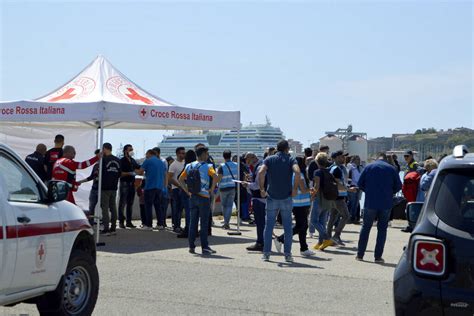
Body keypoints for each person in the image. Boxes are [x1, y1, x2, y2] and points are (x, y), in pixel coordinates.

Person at [356, 152, 402, 263]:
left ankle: (360, 255)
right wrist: (389, 192)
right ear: (386, 159)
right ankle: (377, 257)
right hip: (386, 203)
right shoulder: (392, 169)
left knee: (365, 228)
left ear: (377, 158)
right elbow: (399, 186)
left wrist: (369, 191)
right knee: (382, 230)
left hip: (370, 202)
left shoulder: (368, 167)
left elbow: (360, 183)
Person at [259, 140, 300, 263]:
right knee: (288, 227)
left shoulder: (269, 159)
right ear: (287, 149)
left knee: (269, 226)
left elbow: (261, 172)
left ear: (277, 148)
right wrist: (294, 189)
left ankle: (266, 253)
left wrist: (262, 189)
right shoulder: (291, 160)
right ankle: (287, 254)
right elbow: (297, 172)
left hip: (271, 196)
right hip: (286, 197)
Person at [179, 146, 218, 255]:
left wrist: (187, 191)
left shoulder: (189, 165)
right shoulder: (208, 166)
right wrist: (211, 188)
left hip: (193, 197)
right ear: (204, 154)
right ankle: (204, 247)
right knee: (204, 223)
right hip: (204, 197)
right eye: (207, 154)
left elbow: (180, 179)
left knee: (192, 222)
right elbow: (215, 176)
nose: (207, 156)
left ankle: (191, 246)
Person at [274, 156, 315, 257]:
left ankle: (304, 248)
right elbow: (303, 189)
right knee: (300, 226)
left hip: (297, 203)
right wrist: (312, 189)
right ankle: (280, 239)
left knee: (303, 226)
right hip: (300, 203)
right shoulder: (299, 175)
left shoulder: (291, 174)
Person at [136, 149, 168, 231]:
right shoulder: (161, 162)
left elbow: (140, 172)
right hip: (159, 187)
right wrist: (164, 186)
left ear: (149, 154)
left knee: (148, 206)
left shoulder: (148, 161)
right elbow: (165, 175)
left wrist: (134, 171)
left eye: (146, 154)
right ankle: (160, 224)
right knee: (158, 206)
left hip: (150, 186)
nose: (146, 156)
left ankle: (148, 225)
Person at [326, 150, 353, 246]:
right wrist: (349, 189)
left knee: (332, 217)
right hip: (337, 197)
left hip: (337, 196)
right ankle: (336, 236)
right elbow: (336, 183)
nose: (344, 158)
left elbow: (342, 181)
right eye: (341, 156)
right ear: (335, 158)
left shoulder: (340, 168)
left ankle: (328, 238)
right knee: (346, 216)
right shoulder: (335, 169)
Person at [311, 152, 337, 250]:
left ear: (317, 161)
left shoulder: (317, 172)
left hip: (319, 198)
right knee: (322, 222)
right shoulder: (328, 172)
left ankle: (327, 238)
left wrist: (312, 195)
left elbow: (316, 186)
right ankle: (320, 242)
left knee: (313, 220)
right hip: (327, 199)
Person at [100, 143, 122, 235]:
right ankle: (113, 228)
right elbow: (119, 173)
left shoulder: (103, 160)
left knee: (105, 208)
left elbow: (100, 173)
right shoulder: (117, 160)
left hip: (105, 186)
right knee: (113, 207)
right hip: (114, 186)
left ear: (105, 149)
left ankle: (106, 228)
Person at [246, 152, 266, 251]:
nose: (246, 161)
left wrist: (247, 184)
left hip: (259, 198)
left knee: (260, 222)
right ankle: (263, 241)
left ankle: (260, 242)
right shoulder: (261, 165)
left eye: (247, 159)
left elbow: (258, 185)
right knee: (263, 222)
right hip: (264, 198)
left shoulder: (258, 167)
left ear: (252, 157)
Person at [118, 144, 140, 229]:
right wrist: (129, 173)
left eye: (132, 149)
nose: (132, 151)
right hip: (124, 183)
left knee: (130, 203)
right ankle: (121, 221)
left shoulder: (133, 160)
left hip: (132, 183)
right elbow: (119, 173)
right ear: (125, 151)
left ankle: (129, 222)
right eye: (130, 149)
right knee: (122, 203)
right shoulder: (122, 160)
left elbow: (139, 168)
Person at [177, 150, 197, 238]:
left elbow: (180, 178)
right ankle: (194, 230)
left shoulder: (187, 166)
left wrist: (186, 190)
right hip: (196, 192)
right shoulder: (197, 165)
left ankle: (188, 230)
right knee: (194, 212)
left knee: (188, 212)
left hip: (187, 192)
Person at [77, 149, 101, 225]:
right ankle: (91, 222)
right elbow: (91, 177)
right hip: (94, 189)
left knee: (104, 206)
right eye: (96, 156)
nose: (97, 158)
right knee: (91, 206)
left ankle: (104, 222)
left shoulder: (106, 165)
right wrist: (80, 181)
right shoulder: (96, 166)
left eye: (98, 156)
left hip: (103, 189)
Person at [217, 150, 238, 229]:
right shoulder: (236, 165)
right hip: (232, 187)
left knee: (224, 205)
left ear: (223, 156)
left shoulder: (221, 166)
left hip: (223, 188)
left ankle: (226, 223)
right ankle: (227, 222)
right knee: (229, 205)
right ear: (231, 156)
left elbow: (219, 178)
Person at [168, 147, 187, 233]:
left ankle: (179, 225)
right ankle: (176, 226)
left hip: (184, 189)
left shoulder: (185, 163)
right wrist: (179, 185)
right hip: (176, 189)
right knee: (177, 208)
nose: (183, 155)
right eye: (181, 153)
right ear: (177, 154)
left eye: (184, 153)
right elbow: (169, 178)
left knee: (181, 208)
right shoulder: (173, 165)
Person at [347, 155, 363, 224]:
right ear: (353, 160)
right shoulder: (351, 167)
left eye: (359, 159)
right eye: (357, 159)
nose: (359, 161)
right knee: (352, 203)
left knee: (356, 203)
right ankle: (350, 218)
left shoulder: (358, 168)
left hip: (358, 187)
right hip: (352, 186)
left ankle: (354, 217)